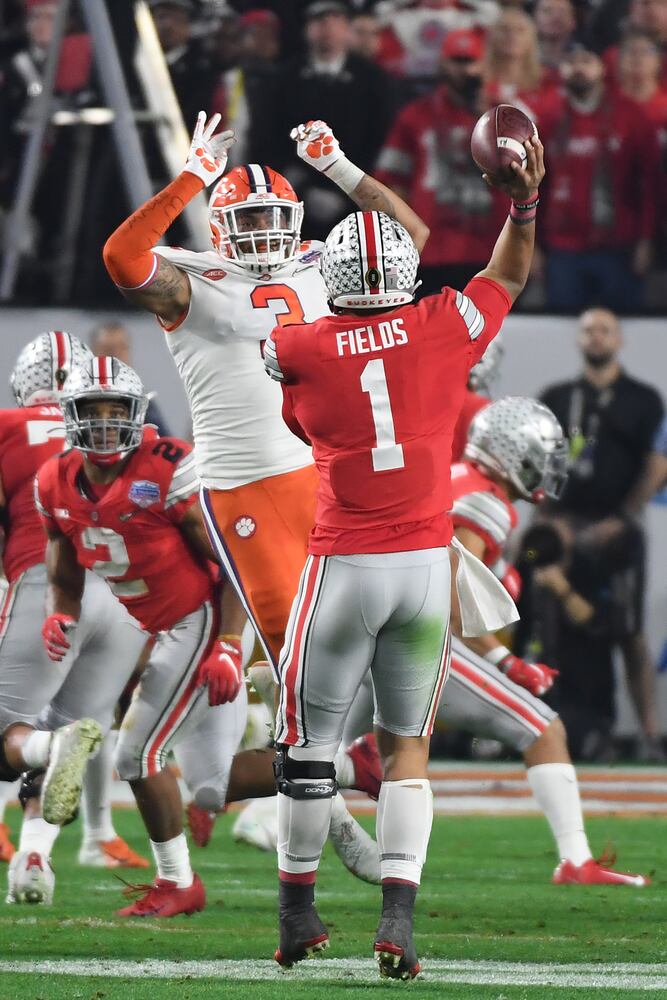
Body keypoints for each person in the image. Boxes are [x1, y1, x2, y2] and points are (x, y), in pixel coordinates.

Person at [261, 126, 544, 977]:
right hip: (423, 571)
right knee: (405, 751)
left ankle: (297, 913)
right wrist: (522, 204)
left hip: (341, 564)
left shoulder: (296, 347)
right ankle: (398, 923)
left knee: (310, 749)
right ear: (402, 275)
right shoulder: (440, 323)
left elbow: (298, 424)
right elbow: (505, 272)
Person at [343, 397, 648, 886]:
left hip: (373, 625)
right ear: (513, 451)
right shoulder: (485, 500)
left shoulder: (456, 477)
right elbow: (447, 594)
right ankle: (575, 861)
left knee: (318, 754)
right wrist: (507, 660)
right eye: (541, 455)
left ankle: (250, 801)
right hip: (420, 637)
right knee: (542, 727)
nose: (546, 467)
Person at [1, 333, 150, 906]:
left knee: (17, 738)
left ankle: (43, 756)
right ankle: (34, 858)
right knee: (73, 733)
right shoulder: (135, 436)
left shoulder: (9, 427)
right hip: (126, 599)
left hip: (46, 587)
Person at [535, 308, 664, 760]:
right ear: (579, 339)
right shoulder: (556, 396)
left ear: (619, 339)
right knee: (547, 622)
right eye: (588, 330)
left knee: (629, 632)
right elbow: (541, 463)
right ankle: (543, 727)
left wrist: (625, 518)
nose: (596, 337)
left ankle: (648, 732)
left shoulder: (643, 400)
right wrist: (549, 521)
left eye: (605, 329)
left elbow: (657, 462)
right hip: (563, 530)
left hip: (619, 532)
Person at [375, 28, 508, 297]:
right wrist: (402, 237)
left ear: (483, 65)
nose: (464, 70)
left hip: (490, 245)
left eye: (470, 61)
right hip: (432, 248)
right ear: (442, 64)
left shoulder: (504, 115)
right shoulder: (415, 115)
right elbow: (390, 181)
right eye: (456, 61)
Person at [539, 43, 661, 313]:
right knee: (562, 329)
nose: (579, 69)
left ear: (603, 68)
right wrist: (534, 246)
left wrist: (645, 240)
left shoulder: (631, 115)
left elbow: (649, 187)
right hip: (563, 247)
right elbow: (535, 188)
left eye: (587, 62)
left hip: (619, 245)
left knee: (624, 328)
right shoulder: (548, 119)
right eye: (571, 62)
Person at [270, 0, 398, 240]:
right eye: (318, 20)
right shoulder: (282, 80)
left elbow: (382, 142)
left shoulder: (375, 81)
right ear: (306, 29)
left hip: (359, 204)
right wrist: (304, 190)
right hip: (295, 204)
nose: (327, 28)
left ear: (349, 29)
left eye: (336, 20)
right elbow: (270, 139)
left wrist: (347, 192)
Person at [88, 321, 171, 436]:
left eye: (122, 348)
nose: (116, 356)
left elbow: (163, 442)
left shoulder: (143, 404)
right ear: (92, 353)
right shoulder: (76, 401)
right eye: (108, 349)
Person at [483, 8, 561, 124]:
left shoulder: (546, 80)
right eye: (504, 30)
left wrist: (513, 105)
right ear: (492, 36)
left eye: (520, 31)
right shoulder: (478, 80)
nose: (511, 36)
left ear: (531, 38)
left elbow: (548, 126)